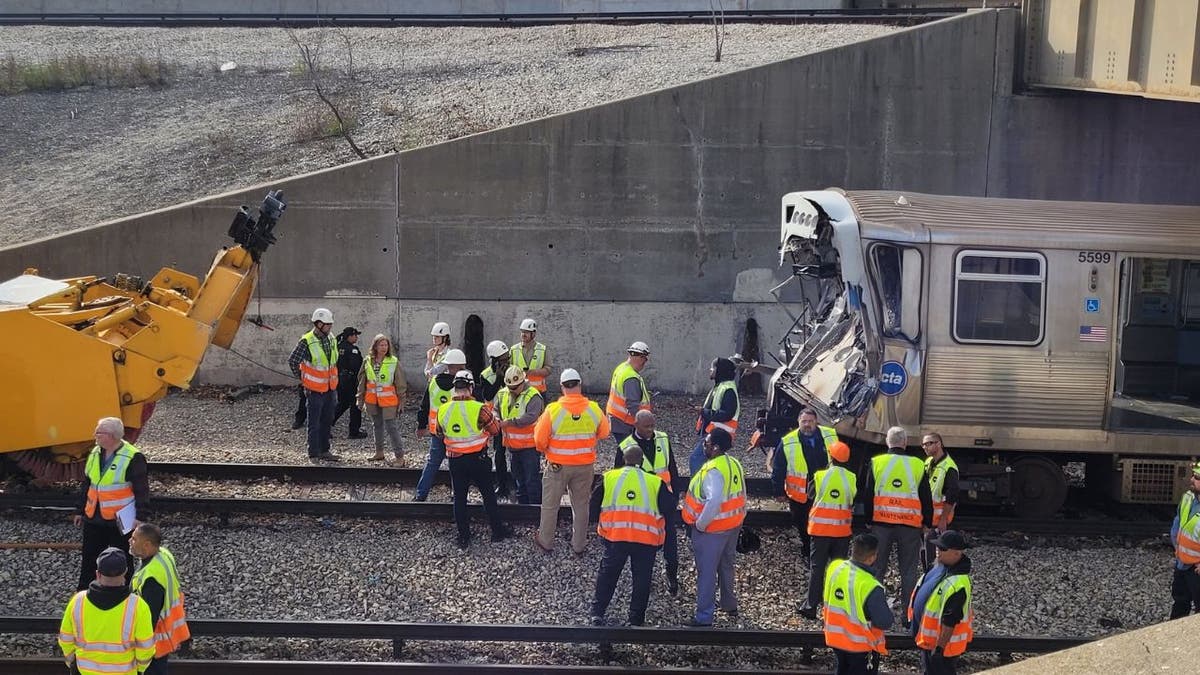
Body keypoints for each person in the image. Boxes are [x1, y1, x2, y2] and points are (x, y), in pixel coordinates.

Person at [589, 445, 673, 626]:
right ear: (642, 461)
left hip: (615, 537)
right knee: (642, 580)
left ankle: (597, 612)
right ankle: (636, 619)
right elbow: (669, 508)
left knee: (608, 576)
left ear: (624, 460)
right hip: (646, 540)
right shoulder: (655, 482)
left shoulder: (608, 478)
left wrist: (600, 525)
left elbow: (593, 506)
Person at [533, 368, 610, 554]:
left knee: (551, 505)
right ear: (579, 385)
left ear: (562, 387)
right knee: (581, 506)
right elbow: (605, 432)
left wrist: (548, 451)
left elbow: (539, 441)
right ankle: (579, 544)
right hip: (584, 466)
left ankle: (546, 541)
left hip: (558, 466)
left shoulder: (553, 410)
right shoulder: (593, 409)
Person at [435, 370, 513, 549]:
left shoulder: (443, 409)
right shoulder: (480, 408)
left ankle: (464, 536)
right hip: (478, 459)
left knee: (460, 498)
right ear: (470, 387)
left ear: (455, 388)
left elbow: (439, 433)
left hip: (455, 460)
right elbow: (494, 430)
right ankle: (497, 531)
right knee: (488, 495)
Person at [864, 426, 932, 626]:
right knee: (908, 571)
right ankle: (908, 616)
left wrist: (868, 519)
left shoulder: (877, 462)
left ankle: (875, 614)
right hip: (909, 526)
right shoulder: (918, 464)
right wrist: (927, 522)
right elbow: (925, 496)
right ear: (904, 443)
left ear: (888, 442)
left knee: (877, 569)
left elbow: (868, 493)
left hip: (881, 524)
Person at [74, 417, 150, 591]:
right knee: (90, 558)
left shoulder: (133, 457)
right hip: (94, 517)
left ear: (112, 436)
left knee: (122, 558)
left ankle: (124, 591)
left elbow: (142, 489)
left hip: (120, 520)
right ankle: (85, 592)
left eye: (99, 432)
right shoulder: (95, 453)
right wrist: (79, 510)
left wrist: (140, 517)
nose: (95, 435)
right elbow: (87, 484)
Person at [680, 428, 745, 627]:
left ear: (715, 447)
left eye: (707, 443)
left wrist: (700, 525)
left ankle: (704, 616)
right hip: (732, 525)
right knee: (726, 565)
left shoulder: (713, 470)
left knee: (706, 572)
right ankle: (729, 604)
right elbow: (742, 492)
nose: (704, 446)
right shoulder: (734, 463)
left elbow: (714, 501)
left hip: (712, 530)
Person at [59, 547, 155, 675]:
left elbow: (65, 640)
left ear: (98, 574)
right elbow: (146, 648)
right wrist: (140, 669)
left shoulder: (77, 601)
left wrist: (73, 662)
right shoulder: (138, 606)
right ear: (125, 572)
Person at [618, 409, 681, 595]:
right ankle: (644, 580)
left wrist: (675, 494)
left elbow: (672, 468)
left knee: (670, 544)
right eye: (647, 427)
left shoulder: (662, 438)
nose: (651, 430)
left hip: (665, 501)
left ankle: (672, 576)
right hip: (642, 506)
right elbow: (620, 477)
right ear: (635, 425)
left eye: (653, 425)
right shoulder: (625, 446)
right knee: (645, 546)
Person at [800, 440, 856, 620]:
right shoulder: (852, 478)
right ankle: (835, 609)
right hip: (842, 532)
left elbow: (809, 496)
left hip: (820, 531)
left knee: (817, 569)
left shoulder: (820, 476)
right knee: (837, 570)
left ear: (831, 457)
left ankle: (810, 606)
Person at [771, 408, 837, 559]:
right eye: (804, 421)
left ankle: (824, 549)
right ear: (798, 422)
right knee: (803, 524)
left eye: (811, 421)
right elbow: (779, 467)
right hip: (801, 494)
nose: (807, 425)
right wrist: (778, 491)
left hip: (825, 491)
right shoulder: (788, 441)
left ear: (816, 422)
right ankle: (808, 549)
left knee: (825, 522)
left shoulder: (830, 435)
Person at [824, 533, 892, 675]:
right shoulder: (871, 586)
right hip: (860, 647)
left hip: (837, 640)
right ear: (872, 557)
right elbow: (884, 622)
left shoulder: (835, 568)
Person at [908, 530, 974, 675]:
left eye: (943, 548)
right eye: (938, 547)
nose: (938, 550)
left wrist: (939, 649)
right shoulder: (940, 566)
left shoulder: (958, 583)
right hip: (928, 642)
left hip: (942, 648)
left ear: (957, 553)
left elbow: (950, 620)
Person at [129, 523, 190, 674]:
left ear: (147, 545)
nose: (130, 541)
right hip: (165, 635)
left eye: (134, 539)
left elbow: (149, 619)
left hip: (154, 642)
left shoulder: (152, 579)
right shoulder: (164, 554)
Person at [287, 307, 342, 462]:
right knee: (314, 422)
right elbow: (293, 360)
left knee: (327, 420)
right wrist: (303, 379)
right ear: (318, 324)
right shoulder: (307, 341)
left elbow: (332, 362)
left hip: (330, 388)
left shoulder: (331, 338)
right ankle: (313, 452)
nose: (330, 327)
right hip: (314, 390)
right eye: (327, 324)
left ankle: (325, 450)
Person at [414, 348, 468, 501]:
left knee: (432, 463)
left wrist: (420, 426)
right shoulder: (461, 386)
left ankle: (420, 494)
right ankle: (458, 496)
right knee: (456, 464)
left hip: (436, 431)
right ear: (458, 366)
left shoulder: (433, 383)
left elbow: (424, 406)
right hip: (456, 432)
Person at [497, 365, 545, 504]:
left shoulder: (533, 396)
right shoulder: (502, 394)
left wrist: (509, 423)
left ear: (522, 382)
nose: (512, 391)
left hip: (530, 446)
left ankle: (535, 507)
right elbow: (495, 409)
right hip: (512, 446)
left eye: (515, 388)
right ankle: (523, 505)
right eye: (510, 387)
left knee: (531, 479)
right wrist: (495, 418)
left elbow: (531, 417)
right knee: (518, 478)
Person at [358, 334, 407, 464]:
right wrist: (360, 398)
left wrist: (402, 401)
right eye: (381, 345)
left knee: (391, 427)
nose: (384, 347)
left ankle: (400, 456)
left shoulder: (393, 361)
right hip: (373, 400)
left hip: (389, 400)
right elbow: (362, 381)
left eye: (386, 345)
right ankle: (379, 452)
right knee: (377, 426)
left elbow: (400, 383)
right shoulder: (368, 361)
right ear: (375, 346)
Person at [689, 357, 741, 474]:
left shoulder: (727, 389)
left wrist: (703, 412)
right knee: (709, 465)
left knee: (696, 460)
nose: (710, 370)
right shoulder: (721, 386)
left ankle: (698, 488)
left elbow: (727, 414)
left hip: (717, 435)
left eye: (713, 367)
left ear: (720, 371)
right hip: (714, 434)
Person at [480, 340, 514, 499]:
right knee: (499, 454)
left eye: (507, 358)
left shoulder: (514, 371)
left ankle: (515, 484)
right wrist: (499, 380)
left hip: (512, 417)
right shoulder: (486, 375)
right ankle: (502, 485)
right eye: (503, 360)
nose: (506, 362)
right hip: (495, 419)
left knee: (515, 452)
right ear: (494, 360)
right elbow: (487, 395)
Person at [605, 341, 652, 452]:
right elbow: (633, 405)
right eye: (645, 359)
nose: (644, 363)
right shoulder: (631, 377)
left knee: (623, 452)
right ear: (640, 358)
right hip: (625, 423)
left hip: (617, 420)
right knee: (631, 454)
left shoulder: (621, 368)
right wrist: (644, 425)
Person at [922, 432, 959, 570]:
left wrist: (943, 519)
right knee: (926, 552)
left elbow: (952, 494)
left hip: (938, 521)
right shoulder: (928, 462)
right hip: (928, 518)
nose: (925, 447)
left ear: (939, 444)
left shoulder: (949, 467)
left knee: (934, 557)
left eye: (929, 443)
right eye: (923, 444)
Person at [1170, 461, 1200, 618]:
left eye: (1197, 477)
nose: (1192, 480)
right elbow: (1178, 525)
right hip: (1182, 564)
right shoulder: (1188, 498)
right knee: (1180, 603)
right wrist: (1177, 547)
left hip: (1196, 568)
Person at [331, 326, 367, 439]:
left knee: (342, 404)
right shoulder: (353, 350)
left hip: (339, 379)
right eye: (355, 335)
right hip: (350, 382)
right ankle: (354, 431)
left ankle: (326, 425)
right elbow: (357, 367)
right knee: (355, 406)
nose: (356, 338)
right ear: (350, 336)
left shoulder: (337, 346)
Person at [511, 318, 551, 394]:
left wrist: (534, 372)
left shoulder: (543, 349)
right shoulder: (514, 349)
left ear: (533, 334)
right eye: (522, 332)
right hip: (519, 391)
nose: (523, 334)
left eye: (526, 332)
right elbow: (509, 369)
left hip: (538, 391)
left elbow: (548, 369)